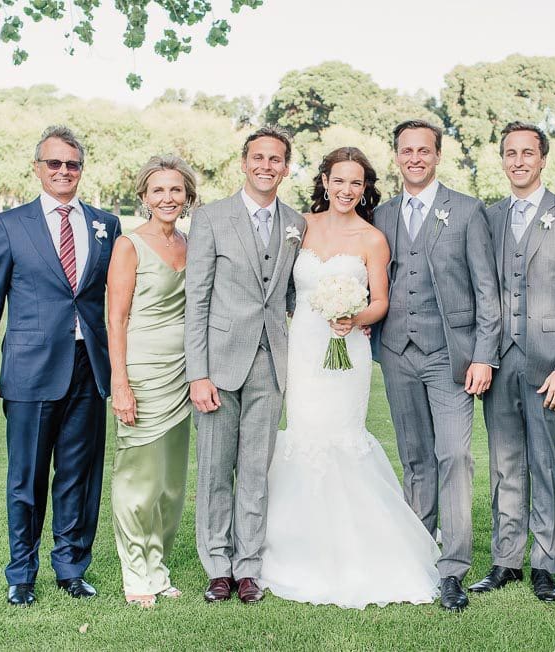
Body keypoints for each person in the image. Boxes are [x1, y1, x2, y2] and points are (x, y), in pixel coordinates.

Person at [258, 147, 440, 608]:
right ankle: (296, 545)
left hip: (348, 349)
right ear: (323, 181)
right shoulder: (299, 226)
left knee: (341, 436)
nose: (346, 190)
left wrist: (354, 315)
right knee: (303, 433)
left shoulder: (372, 239)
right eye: (339, 181)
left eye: (356, 183)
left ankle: (361, 549)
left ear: (365, 188)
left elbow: (381, 301)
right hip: (302, 347)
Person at [0, 125, 121, 606]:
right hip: (29, 372)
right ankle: (21, 573)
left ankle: (72, 568)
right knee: (27, 478)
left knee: (79, 476)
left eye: (71, 164)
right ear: (38, 168)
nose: (63, 171)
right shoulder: (10, 225)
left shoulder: (106, 224)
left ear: (82, 169)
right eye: (53, 163)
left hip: (89, 368)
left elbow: (115, 301)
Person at [371, 120, 501, 611]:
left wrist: (483, 356)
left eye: (424, 151)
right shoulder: (380, 215)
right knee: (415, 460)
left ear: (438, 156)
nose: (415, 159)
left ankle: (453, 568)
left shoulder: (467, 211)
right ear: (397, 156)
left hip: (451, 356)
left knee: (455, 458)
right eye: (407, 151)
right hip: (398, 354)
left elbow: (487, 292)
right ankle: (417, 556)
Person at [471, 122, 555, 601]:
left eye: (528, 152)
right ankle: (506, 560)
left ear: (543, 159)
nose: (518, 160)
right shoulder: (490, 216)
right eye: (510, 153)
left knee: (545, 463)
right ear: (502, 160)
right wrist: (482, 355)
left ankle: (545, 562)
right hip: (499, 361)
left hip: (550, 366)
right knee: (504, 465)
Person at [185, 126, 306, 604]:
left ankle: (249, 566)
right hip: (217, 364)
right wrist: (198, 373)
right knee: (215, 469)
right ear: (244, 162)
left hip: (271, 362)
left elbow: (294, 293)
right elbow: (196, 301)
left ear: (286, 168)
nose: (266, 166)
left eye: (275, 159)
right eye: (258, 157)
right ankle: (218, 565)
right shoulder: (211, 218)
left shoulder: (296, 222)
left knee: (256, 469)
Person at [106, 155, 196, 608]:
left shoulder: (192, 241)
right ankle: (135, 570)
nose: (168, 198)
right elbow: (115, 319)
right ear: (144, 197)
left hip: (185, 371)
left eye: (176, 190)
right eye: (158, 190)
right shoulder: (129, 246)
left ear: (187, 196)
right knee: (138, 476)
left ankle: (158, 567)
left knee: (171, 482)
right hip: (142, 370)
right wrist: (119, 384)